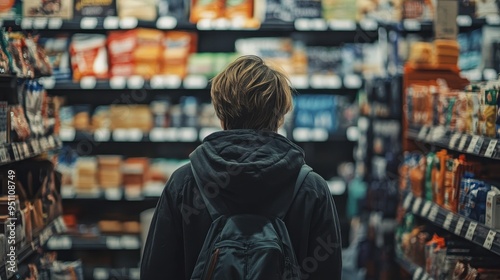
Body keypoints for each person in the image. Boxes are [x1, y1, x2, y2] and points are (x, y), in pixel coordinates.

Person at [140, 55, 342, 279]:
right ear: (280, 116)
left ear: (220, 114)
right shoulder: (312, 189)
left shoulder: (184, 184)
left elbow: (155, 272)